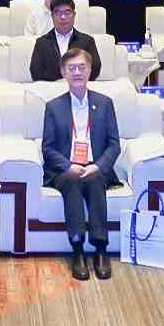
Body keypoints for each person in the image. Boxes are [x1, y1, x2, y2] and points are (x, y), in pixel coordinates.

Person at [43, 48, 125, 279]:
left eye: (82, 67)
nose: (77, 72)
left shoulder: (105, 103)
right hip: (65, 169)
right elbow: (48, 148)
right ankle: (77, 249)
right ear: (63, 73)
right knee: (72, 179)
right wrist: (68, 165)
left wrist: (98, 166)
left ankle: (100, 249)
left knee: (95, 178)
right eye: (72, 68)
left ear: (90, 71)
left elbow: (114, 144)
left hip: (95, 166)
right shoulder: (53, 106)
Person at [28, 0, 102, 85]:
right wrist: (58, 82)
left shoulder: (87, 41)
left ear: (74, 14)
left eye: (67, 13)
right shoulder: (42, 42)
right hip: (51, 88)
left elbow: (95, 69)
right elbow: (35, 72)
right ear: (52, 16)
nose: (63, 17)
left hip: (79, 87)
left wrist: (74, 81)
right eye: (58, 13)